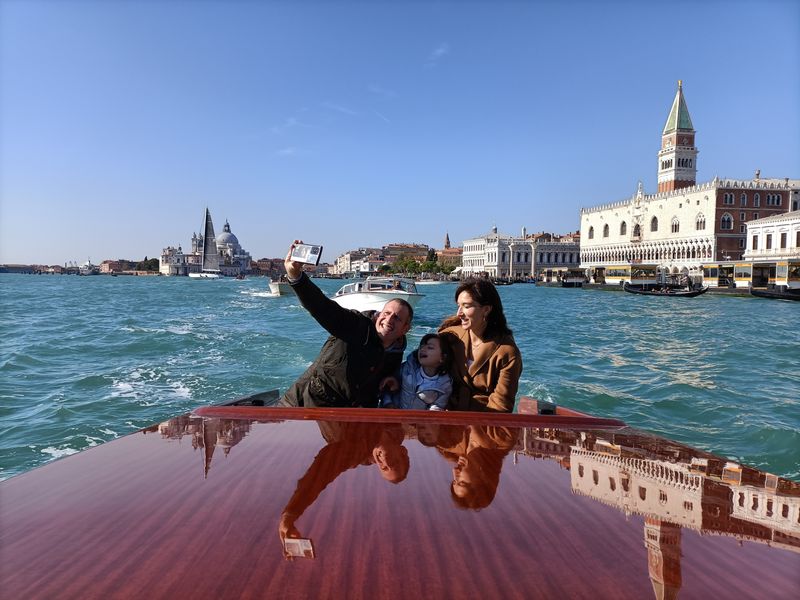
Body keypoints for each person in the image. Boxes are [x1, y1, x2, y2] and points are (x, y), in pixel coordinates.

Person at [281, 240, 413, 408]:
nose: (389, 320)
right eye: (386, 313)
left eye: (397, 318)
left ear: (405, 329)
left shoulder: (396, 350)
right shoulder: (357, 326)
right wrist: (296, 277)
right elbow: (322, 307)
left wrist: (394, 378)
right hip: (305, 404)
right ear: (379, 314)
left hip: (347, 414)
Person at [278, 421, 409, 557]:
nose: (385, 461)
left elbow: (322, 473)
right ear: (403, 451)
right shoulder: (397, 424)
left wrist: (291, 512)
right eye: (393, 462)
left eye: (383, 467)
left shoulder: (356, 452)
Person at [438, 277, 522, 412]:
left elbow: (501, 405)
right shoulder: (449, 337)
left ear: (486, 310)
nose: (459, 313)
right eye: (458, 306)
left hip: (483, 422)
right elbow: (420, 365)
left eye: (466, 306)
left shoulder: (507, 353)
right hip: (444, 414)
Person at [380, 333, 453, 410]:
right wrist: (388, 403)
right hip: (393, 414)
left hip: (416, 419)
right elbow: (388, 386)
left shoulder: (444, 384)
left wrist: (425, 418)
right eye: (421, 346)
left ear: (443, 358)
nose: (422, 349)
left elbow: (437, 406)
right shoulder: (408, 368)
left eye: (430, 347)